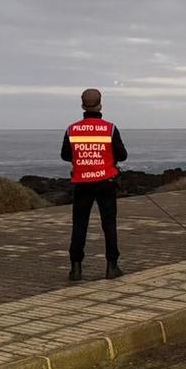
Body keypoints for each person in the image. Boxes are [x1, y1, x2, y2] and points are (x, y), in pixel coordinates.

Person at [61, 88, 128, 281]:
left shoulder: (72, 129)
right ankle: (112, 266)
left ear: (82, 105)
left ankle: (75, 268)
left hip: (82, 183)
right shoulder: (110, 128)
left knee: (79, 225)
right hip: (106, 182)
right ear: (100, 105)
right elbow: (122, 155)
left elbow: (65, 155)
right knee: (109, 224)